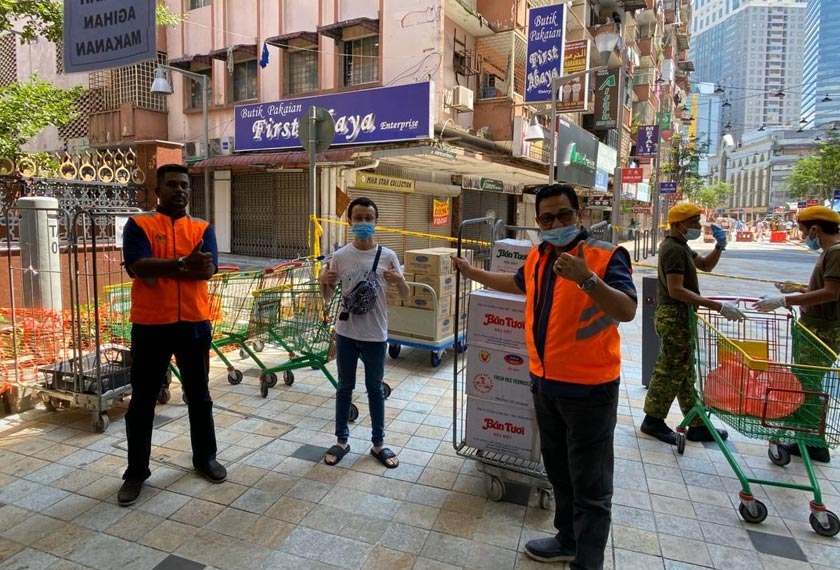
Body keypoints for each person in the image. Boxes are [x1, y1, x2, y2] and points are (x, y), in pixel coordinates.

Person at [452, 184, 637, 570]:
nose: (556, 223)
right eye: (547, 218)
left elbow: (626, 309)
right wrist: (473, 273)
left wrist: (587, 279)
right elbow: (517, 284)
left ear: (580, 214)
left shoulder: (605, 256)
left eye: (564, 215)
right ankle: (567, 540)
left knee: (591, 486)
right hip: (545, 383)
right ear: (538, 222)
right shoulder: (538, 257)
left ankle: (587, 563)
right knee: (560, 473)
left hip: (591, 389)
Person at [118, 164, 224, 507]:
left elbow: (207, 269)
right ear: (157, 191)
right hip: (151, 326)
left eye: (184, 186)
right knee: (143, 400)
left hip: (194, 324)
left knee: (200, 396)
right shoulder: (139, 225)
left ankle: (205, 458)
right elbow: (139, 267)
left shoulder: (202, 228)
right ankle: (136, 472)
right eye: (172, 185)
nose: (180, 191)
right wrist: (181, 264)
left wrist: (165, 267)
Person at [640, 203, 745, 445]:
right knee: (670, 369)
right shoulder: (673, 250)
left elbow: (706, 265)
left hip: (680, 315)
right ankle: (652, 420)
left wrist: (720, 246)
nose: (698, 226)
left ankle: (697, 423)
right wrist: (717, 306)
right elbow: (676, 290)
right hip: (674, 315)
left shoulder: (681, 246)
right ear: (679, 225)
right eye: (694, 222)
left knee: (685, 372)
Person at [319, 197, 410, 468]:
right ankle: (341, 440)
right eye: (358, 218)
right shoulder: (340, 256)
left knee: (374, 389)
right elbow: (327, 296)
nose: (363, 223)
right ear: (349, 222)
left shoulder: (389, 256)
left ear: (375, 222)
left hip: (375, 334)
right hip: (346, 332)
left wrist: (401, 280)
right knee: (344, 388)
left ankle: (378, 443)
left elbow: (405, 295)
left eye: (368, 218)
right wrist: (323, 281)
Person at [754, 205, 840, 463]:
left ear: (814, 229)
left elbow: (831, 292)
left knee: (808, 385)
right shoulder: (830, 252)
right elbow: (825, 288)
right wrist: (799, 289)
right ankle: (809, 438)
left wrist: (785, 299)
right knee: (806, 383)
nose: (804, 237)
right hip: (817, 326)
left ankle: (814, 442)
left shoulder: (835, 252)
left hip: (822, 331)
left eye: (804, 231)